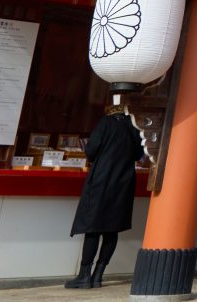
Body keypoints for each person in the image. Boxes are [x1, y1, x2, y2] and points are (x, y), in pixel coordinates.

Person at [66, 104, 140, 289]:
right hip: (124, 182)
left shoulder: (105, 123)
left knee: (93, 227)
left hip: (102, 179)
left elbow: (91, 150)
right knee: (111, 229)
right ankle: (98, 275)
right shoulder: (133, 126)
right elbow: (139, 153)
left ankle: (84, 276)